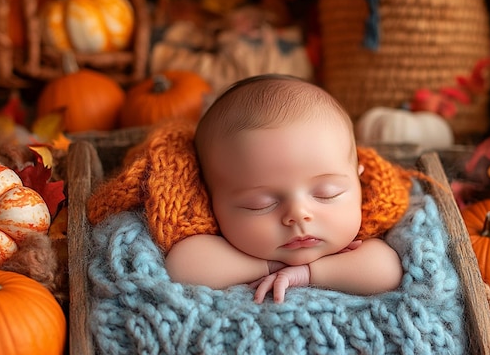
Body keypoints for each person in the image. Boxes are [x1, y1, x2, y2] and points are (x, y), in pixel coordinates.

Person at [164, 74, 404, 303]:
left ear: (358, 183)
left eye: (327, 193)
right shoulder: (213, 244)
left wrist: (306, 273)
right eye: (260, 204)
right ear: (210, 200)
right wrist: (269, 266)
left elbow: (386, 271)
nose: (298, 214)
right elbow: (183, 267)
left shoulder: (368, 240)